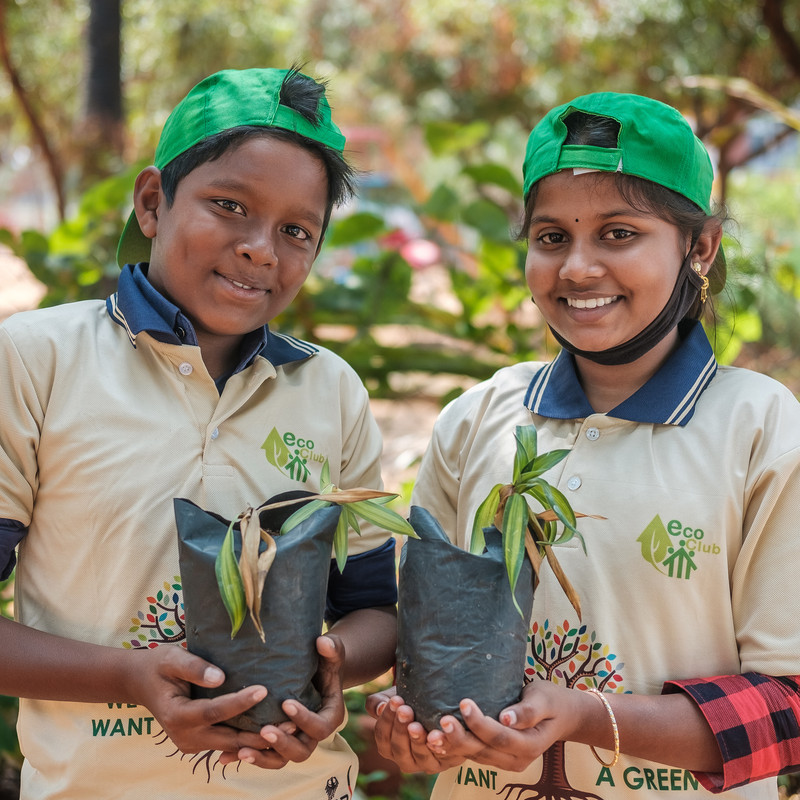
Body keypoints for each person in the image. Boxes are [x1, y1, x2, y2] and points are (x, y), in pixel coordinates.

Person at [367, 92, 800, 799]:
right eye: (551, 238)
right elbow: (427, 647)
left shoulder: (759, 429)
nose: (577, 268)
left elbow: (788, 707)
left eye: (619, 233)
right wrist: (412, 729)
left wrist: (585, 717)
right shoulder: (478, 419)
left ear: (700, 246)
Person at [0, 66, 399, 799]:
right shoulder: (37, 359)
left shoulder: (329, 387)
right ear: (153, 202)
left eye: (296, 230)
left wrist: (330, 663)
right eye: (229, 206)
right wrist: (127, 677)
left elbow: (375, 606)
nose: (260, 249)